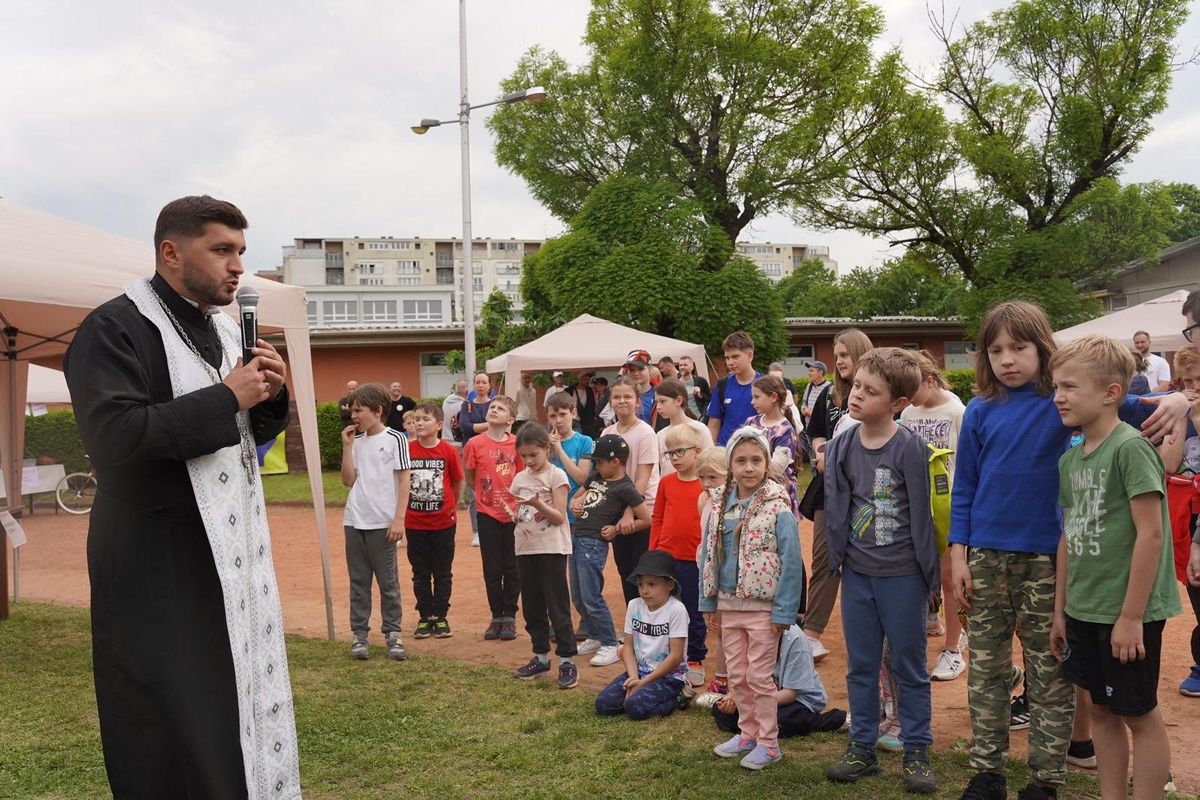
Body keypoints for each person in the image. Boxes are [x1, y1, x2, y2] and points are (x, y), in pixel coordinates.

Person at [63, 195, 301, 798]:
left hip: (229, 564)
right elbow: (115, 439)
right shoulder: (114, 327)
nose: (237, 267)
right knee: (174, 722)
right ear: (170, 252)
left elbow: (239, 437)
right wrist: (228, 397)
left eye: (241, 252)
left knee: (231, 705)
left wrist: (267, 395)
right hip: (157, 566)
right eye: (221, 250)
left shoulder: (223, 329)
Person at [948, 301, 1187, 800]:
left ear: (1043, 348)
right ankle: (987, 771)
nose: (1007, 359)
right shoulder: (979, 410)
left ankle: (1046, 779)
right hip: (986, 557)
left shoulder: (1069, 399)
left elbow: (1135, 401)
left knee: (1051, 674)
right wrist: (957, 553)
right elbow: (964, 486)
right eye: (995, 350)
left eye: (1019, 347)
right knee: (987, 670)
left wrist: (1184, 401)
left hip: (1048, 559)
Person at [1049, 335, 1181, 800]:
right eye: (1055, 386)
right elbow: (1068, 535)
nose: (1058, 396)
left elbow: (1152, 534)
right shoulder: (1069, 460)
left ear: (1110, 393)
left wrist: (1130, 618)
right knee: (1101, 711)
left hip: (1129, 613)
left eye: (1068, 386)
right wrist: (1061, 611)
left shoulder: (1130, 449)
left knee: (1138, 714)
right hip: (1085, 608)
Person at [822, 348, 938, 793]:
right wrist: (838, 560)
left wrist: (929, 579)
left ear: (897, 403)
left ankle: (917, 750)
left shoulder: (910, 447)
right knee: (862, 665)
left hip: (904, 577)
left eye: (871, 391)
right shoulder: (842, 445)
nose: (857, 396)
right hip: (857, 576)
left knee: (909, 667)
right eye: (856, 387)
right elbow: (836, 506)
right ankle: (862, 747)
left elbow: (925, 515)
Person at [699, 427, 805, 771]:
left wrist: (785, 610)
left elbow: (792, 560)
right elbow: (708, 557)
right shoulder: (718, 506)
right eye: (741, 460)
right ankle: (746, 734)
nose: (748, 467)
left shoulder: (778, 505)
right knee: (739, 675)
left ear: (766, 462)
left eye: (756, 459)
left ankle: (769, 743)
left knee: (760, 677)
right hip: (729, 606)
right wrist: (708, 603)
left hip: (764, 609)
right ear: (730, 464)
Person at [801, 327, 873, 660]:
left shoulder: (878, 392)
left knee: (870, 560)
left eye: (845, 354)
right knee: (825, 558)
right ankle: (812, 634)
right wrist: (820, 450)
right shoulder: (829, 395)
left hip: (867, 492)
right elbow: (814, 432)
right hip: (828, 490)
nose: (839, 360)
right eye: (837, 355)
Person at [900, 350, 967, 681]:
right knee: (919, 575)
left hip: (948, 505)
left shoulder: (956, 410)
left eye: (913, 389)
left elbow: (968, 461)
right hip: (916, 505)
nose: (908, 398)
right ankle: (933, 628)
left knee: (947, 576)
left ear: (929, 380)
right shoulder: (909, 413)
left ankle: (953, 649)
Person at [340, 383, 413, 661]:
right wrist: (347, 448)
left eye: (358, 410)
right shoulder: (355, 441)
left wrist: (398, 519)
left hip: (383, 523)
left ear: (378, 410)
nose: (353, 415)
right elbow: (348, 480)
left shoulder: (396, 439)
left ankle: (393, 635)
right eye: (352, 410)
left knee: (388, 583)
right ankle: (359, 636)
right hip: (354, 520)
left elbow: (405, 478)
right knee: (358, 582)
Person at [569, 434, 652, 667]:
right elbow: (577, 496)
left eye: (599, 461)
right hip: (577, 539)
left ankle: (610, 643)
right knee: (577, 594)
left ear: (615, 462)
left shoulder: (626, 488)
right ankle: (595, 636)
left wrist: (616, 530)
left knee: (591, 595)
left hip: (593, 544)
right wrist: (576, 504)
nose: (596, 465)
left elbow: (646, 519)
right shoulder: (596, 476)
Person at [508, 423, 580, 690]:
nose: (528, 460)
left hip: (551, 549)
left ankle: (566, 661)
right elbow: (521, 514)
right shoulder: (519, 478)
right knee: (532, 607)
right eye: (523, 456)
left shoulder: (556, 476)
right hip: (525, 549)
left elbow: (560, 517)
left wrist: (539, 503)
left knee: (557, 606)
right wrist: (514, 515)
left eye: (533, 455)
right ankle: (540, 657)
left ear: (546, 449)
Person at [1153, 344, 1200, 697]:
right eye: (1188, 380)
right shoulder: (1179, 414)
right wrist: (1185, 419)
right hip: (1186, 514)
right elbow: (1168, 464)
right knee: (1196, 585)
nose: (1194, 387)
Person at [594, 550, 691, 720]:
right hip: (639, 672)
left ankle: (679, 697)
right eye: (640, 584)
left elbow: (675, 657)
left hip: (668, 677)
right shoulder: (634, 606)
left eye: (652, 584)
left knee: (635, 708)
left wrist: (643, 684)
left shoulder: (676, 610)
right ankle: (638, 695)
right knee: (603, 703)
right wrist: (633, 678)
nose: (644, 590)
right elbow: (629, 646)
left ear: (669, 584)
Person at [709, 623, 846, 738]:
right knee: (721, 712)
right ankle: (755, 723)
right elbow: (741, 677)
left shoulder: (795, 639)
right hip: (759, 697)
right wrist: (733, 697)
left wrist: (749, 702)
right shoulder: (747, 632)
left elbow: (790, 694)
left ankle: (835, 720)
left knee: (783, 720)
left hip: (797, 700)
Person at [651, 424, 709, 687]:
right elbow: (658, 517)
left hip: (695, 560)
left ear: (697, 452)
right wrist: (653, 552)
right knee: (666, 610)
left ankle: (696, 658)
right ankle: (669, 657)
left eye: (679, 452)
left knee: (694, 611)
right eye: (669, 453)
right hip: (667, 557)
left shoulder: (706, 484)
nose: (674, 457)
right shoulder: (665, 482)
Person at [463, 395, 523, 640]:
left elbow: (522, 476)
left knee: (512, 566)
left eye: (500, 409)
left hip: (513, 514)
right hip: (487, 513)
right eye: (492, 407)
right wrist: (483, 496)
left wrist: (517, 506)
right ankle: (496, 615)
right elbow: (469, 476)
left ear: (510, 419)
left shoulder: (517, 444)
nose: (494, 410)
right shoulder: (474, 444)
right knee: (492, 567)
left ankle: (509, 615)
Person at [404, 401, 464, 640]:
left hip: (443, 523)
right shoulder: (407, 450)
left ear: (439, 425)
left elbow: (458, 481)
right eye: (416, 419)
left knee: (442, 572)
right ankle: (424, 616)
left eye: (425, 419)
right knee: (420, 573)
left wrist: (451, 505)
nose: (419, 423)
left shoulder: (448, 451)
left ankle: (440, 616)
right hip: (415, 523)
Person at [602, 377, 661, 603]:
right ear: (610, 402)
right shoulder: (607, 433)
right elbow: (603, 475)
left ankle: (651, 628)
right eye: (617, 397)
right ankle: (634, 627)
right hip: (618, 510)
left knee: (644, 573)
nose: (622, 401)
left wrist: (630, 512)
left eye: (628, 396)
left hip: (642, 510)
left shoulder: (645, 432)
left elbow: (642, 478)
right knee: (625, 571)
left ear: (637, 401)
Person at [695, 446, 730, 695]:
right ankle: (722, 678)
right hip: (708, 573)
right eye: (702, 477)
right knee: (719, 630)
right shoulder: (703, 500)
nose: (706, 483)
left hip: (728, 577)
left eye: (713, 477)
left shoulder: (732, 504)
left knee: (731, 629)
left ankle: (733, 679)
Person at [746, 374, 800, 516]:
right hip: (752, 489)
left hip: (777, 494)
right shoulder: (751, 422)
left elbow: (776, 467)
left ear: (774, 398)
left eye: (757, 397)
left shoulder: (785, 430)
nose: (752, 402)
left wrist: (747, 468)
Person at [459, 372, 495, 547]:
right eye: (477, 382)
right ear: (474, 385)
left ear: (489, 386)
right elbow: (465, 427)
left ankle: (492, 527)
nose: (481, 385)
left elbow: (500, 425)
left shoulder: (494, 405)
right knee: (474, 493)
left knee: (493, 488)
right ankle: (477, 531)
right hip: (470, 451)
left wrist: (477, 428)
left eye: (484, 382)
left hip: (490, 451)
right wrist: (490, 425)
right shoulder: (466, 406)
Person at [707, 331, 761, 446]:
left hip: (756, 450)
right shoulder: (722, 385)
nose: (730, 362)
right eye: (727, 358)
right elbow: (714, 422)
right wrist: (711, 452)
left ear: (750, 355)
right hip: (725, 452)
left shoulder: (764, 385)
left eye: (735, 357)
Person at [654, 378, 714, 475]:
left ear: (678, 400)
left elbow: (710, 461)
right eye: (656, 402)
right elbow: (662, 467)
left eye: (663, 401)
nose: (658, 407)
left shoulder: (699, 429)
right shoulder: (660, 435)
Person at [622, 349, 658, 424]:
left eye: (640, 369)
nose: (636, 373)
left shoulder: (659, 394)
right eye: (632, 370)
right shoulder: (621, 395)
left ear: (650, 369)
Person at [766, 362, 803, 433]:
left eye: (778, 379)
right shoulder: (762, 396)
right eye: (772, 379)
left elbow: (798, 427)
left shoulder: (787, 398)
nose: (775, 382)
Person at [677, 354, 712, 420]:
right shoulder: (676, 383)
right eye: (680, 365)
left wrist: (700, 394)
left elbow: (709, 399)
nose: (682, 367)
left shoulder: (701, 381)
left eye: (685, 365)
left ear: (692, 367)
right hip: (683, 419)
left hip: (699, 418)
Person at [800, 360, 830, 430]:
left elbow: (830, 410)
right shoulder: (809, 386)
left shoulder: (829, 387)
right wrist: (803, 409)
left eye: (812, 371)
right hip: (808, 429)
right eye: (809, 371)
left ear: (820, 373)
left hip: (822, 431)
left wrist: (814, 413)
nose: (809, 373)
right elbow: (804, 402)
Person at [442, 380, 468, 446]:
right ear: (467, 392)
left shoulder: (446, 401)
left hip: (445, 441)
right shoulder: (464, 405)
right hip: (459, 443)